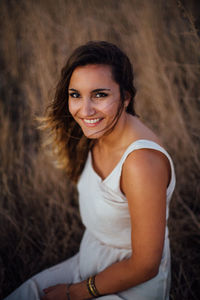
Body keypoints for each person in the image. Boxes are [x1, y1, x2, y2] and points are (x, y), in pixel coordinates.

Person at [4, 41, 176, 300]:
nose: (85, 111)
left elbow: (145, 266)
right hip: (88, 261)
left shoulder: (142, 163)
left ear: (126, 97)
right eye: (76, 95)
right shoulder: (98, 132)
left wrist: (74, 292)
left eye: (100, 95)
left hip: (130, 288)